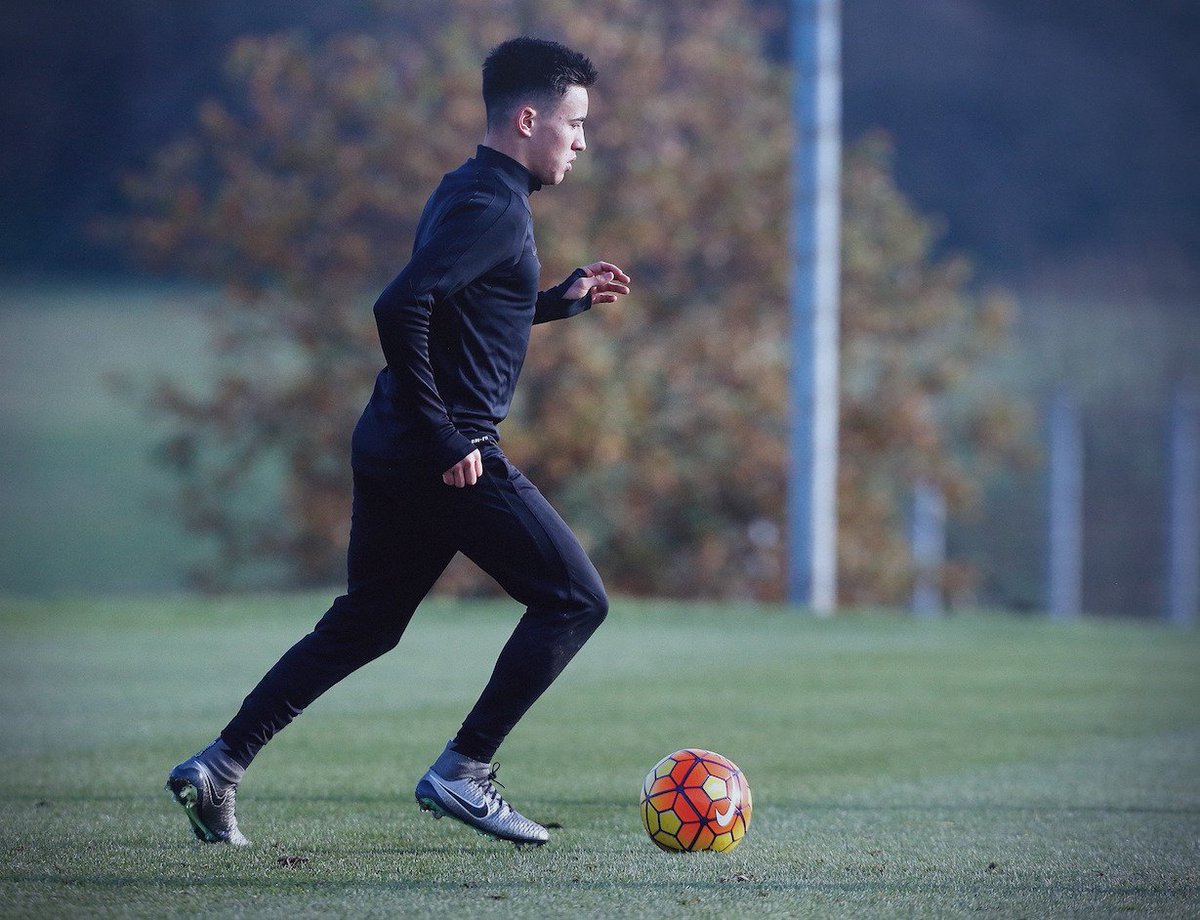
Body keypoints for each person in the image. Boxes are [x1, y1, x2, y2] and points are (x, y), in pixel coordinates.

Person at [166, 36, 630, 849]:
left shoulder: (468, 190)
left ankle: (219, 767)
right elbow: (400, 306)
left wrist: (557, 301)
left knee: (366, 622)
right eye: (575, 123)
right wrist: (447, 433)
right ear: (528, 119)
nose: (582, 141)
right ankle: (465, 770)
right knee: (575, 599)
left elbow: (461, 306)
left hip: (393, 440)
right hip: (443, 450)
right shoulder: (495, 208)